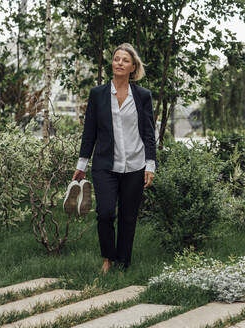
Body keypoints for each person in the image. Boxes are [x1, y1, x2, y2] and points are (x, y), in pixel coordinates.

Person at [72, 43, 156, 274]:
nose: (119, 62)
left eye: (125, 60)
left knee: (128, 217)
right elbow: (90, 132)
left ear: (133, 67)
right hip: (105, 165)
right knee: (106, 213)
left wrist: (150, 165)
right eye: (116, 58)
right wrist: (81, 165)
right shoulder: (98, 94)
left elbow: (149, 133)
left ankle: (123, 263)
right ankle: (108, 259)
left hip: (135, 165)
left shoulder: (142, 96)